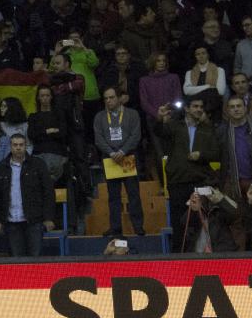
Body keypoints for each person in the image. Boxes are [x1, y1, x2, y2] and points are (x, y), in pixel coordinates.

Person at [155, 99, 225, 252]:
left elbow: (217, 153)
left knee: (199, 222)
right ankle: (178, 257)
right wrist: (160, 118)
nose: (199, 109)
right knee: (179, 224)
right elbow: (160, 133)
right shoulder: (175, 126)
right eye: (195, 106)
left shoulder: (207, 129)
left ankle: (200, 256)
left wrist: (201, 155)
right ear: (187, 108)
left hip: (199, 181)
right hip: (177, 181)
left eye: (201, 107)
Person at [0, 135, 57, 257]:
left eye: (21, 145)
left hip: (34, 220)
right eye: (15, 145)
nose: (18, 148)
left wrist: (48, 218)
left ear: (26, 146)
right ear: (10, 147)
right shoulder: (1, 167)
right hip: (11, 221)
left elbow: (48, 192)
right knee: (17, 260)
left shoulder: (38, 164)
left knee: (36, 259)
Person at [91, 87, 145, 238]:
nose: (108, 101)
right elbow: (98, 138)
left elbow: (136, 135)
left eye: (112, 97)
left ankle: (138, 226)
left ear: (120, 98)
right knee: (113, 196)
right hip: (110, 159)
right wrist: (111, 152)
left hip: (127, 157)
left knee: (133, 193)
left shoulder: (132, 114)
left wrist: (123, 151)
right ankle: (115, 228)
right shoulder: (100, 117)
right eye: (106, 98)